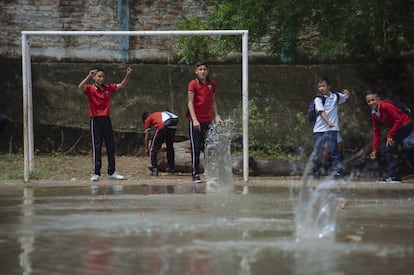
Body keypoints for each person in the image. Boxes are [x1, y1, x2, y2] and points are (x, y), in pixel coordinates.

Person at [78, 66, 132, 181]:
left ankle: (111, 172)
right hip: (95, 120)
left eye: (103, 76)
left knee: (110, 146)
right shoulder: (90, 89)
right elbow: (80, 86)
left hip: (106, 119)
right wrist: (88, 76)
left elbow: (122, 85)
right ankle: (96, 173)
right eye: (99, 76)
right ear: (94, 77)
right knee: (97, 146)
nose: (101, 79)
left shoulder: (108, 88)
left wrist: (128, 74)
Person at [187, 61, 223, 183]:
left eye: (204, 69)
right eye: (200, 69)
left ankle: (210, 173)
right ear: (196, 71)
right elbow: (190, 102)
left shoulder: (211, 84)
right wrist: (195, 119)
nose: (202, 71)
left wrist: (216, 115)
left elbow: (213, 101)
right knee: (196, 148)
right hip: (196, 121)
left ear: (207, 71)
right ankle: (195, 174)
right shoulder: (193, 84)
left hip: (208, 120)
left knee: (210, 148)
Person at [365, 92, 412, 183]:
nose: (371, 103)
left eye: (373, 100)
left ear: (378, 99)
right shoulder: (374, 114)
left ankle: (393, 176)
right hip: (397, 128)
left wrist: (390, 135)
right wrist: (374, 149)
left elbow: (398, 120)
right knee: (383, 150)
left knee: (389, 149)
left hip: (405, 125)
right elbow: (376, 131)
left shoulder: (385, 106)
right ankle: (392, 175)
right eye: (368, 101)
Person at [311, 76, 350, 179]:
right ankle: (315, 173)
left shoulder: (335, 96)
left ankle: (338, 172)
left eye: (323, 86)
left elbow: (345, 97)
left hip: (332, 129)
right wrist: (328, 122)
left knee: (334, 151)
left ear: (329, 86)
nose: (321, 88)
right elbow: (321, 111)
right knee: (318, 152)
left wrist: (347, 93)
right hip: (319, 129)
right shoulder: (318, 99)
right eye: (319, 86)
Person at [142, 111, 179, 176]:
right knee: (170, 147)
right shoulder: (158, 114)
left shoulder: (148, 119)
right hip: (173, 123)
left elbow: (147, 136)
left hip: (163, 126)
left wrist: (146, 148)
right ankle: (171, 167)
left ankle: (154, 169)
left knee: (153, 149)